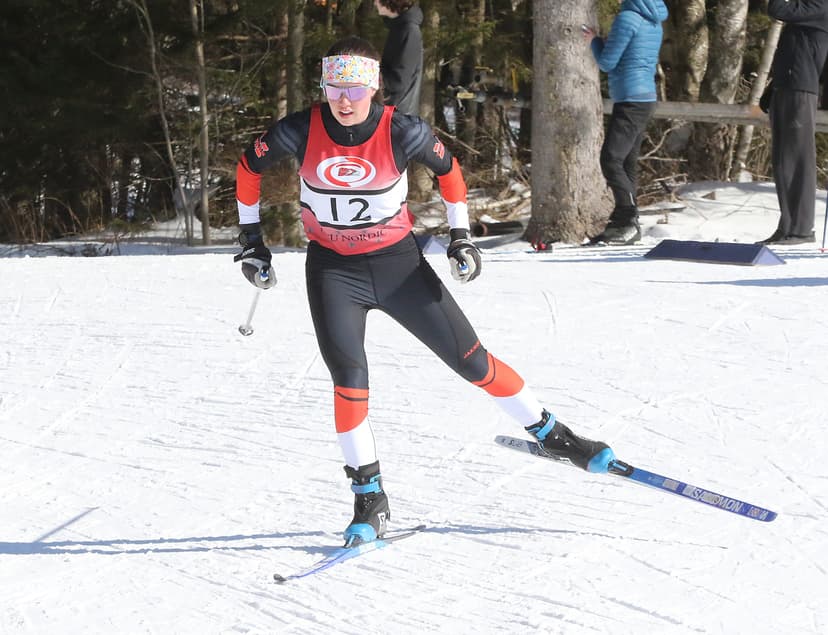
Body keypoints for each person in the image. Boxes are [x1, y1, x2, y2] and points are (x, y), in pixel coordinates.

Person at [233, 36, 616, 547]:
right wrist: (251, 241)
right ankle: (369, 497)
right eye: (334, 88)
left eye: (354, 89)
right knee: (349, 380)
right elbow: (247, 169)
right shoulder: (299, 129)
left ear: (373, 87)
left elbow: (449, 173)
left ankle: (552, 435)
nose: (344, 100)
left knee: (472, 362)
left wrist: (461, 236)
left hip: (398, 267)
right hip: (333, 270)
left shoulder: (402, 130)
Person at [583, 0, 668, 245]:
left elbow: (607, 62)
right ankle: (625, 224)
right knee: (627, 161)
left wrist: (595, 41)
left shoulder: (628, 18)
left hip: (630, 98)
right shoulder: (655, 19)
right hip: (645, 97)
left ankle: (628, 217)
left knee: (610, 159)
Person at [758, 1, 828, 245]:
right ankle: (788, 226)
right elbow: (794, 52)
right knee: (783, 161)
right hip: (787, 87)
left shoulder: (819, 5)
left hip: (801, 88)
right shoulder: (807, 9)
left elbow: (777, 9)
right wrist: (772, 90)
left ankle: (801, 229)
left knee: (798, 159)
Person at [374, 0, 423, 116]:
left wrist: (368, 72)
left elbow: (398, 81)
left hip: (399, 114)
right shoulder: (399, 28)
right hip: (393, 110)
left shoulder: (409, 31)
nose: (375, 3)